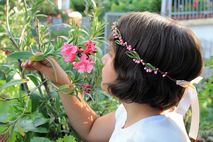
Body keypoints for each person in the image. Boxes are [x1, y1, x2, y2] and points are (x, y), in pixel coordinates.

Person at [22, 12, 203, 142]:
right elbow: (91, 129)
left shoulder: (151, 136)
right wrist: (59, 79)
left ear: (132, 71)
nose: (103, 58)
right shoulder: (134, 112)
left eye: (111, 53)